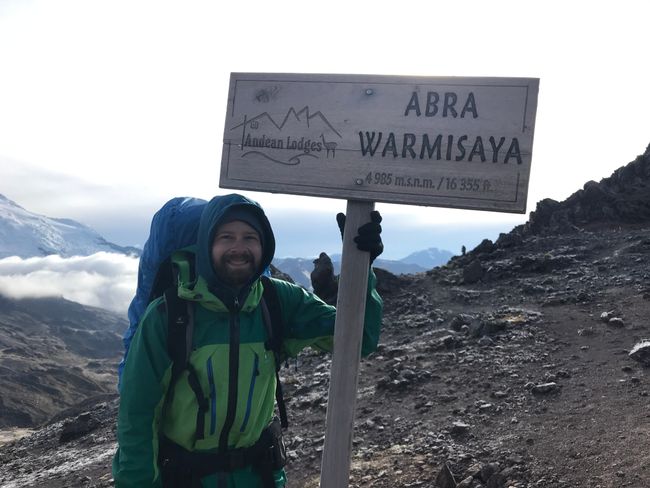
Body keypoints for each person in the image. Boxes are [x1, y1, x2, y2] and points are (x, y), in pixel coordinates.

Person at [113, 193, 384, 487]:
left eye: (250, 237)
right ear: (206, 244)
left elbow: (360, 339)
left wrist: (361, 266)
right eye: (226, 237)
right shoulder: (170, 314)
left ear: (263, 244)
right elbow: (137, 415)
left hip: (259, 477)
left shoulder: (278, 301)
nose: (238, 248)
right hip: (183, 478)